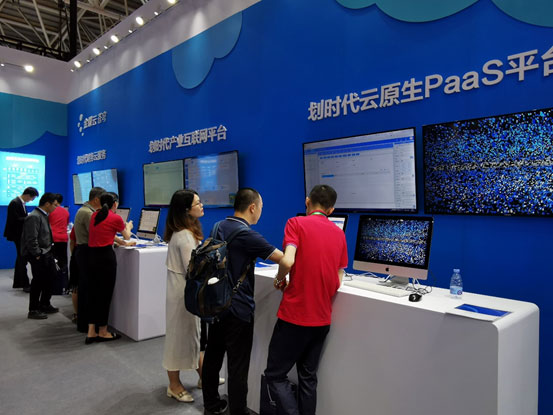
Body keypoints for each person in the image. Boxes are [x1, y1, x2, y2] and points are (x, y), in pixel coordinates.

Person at [263, 185, 348, 415]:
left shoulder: (296, 223)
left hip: (294, 316)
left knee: (275, 375)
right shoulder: (339, 233)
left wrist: (280, 279)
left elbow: (287, 260)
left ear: (307, 201)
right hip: (322, 319)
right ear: (331, 210)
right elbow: (339, 275)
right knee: (308, 378)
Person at [202, 188, 283, 415]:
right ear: (252, 207)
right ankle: (238, 411)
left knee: (213, 356)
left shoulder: (218, 226)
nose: (261, 212)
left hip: (216, 302)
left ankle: (211, 405)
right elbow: (283, 258)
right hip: (238, 309)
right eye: (261, 207)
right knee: (238, 365)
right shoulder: (248, 235)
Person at [162, 189, 206, 403]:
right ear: (187, 210)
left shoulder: (182, 232)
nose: (201, 205)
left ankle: (204, 376)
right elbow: (194, 268)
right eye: (198, 203)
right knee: (178, 339)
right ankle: (174, 385)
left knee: (192, 337)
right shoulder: (185, 236)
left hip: (182, 292)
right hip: (183, 295)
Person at [85, 192, 133, 344]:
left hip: (92, 257)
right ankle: (103, 331)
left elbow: (108, 233)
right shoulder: (116, 218)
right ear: (115, 204)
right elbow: (127, 235)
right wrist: (128, 226)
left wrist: (122, 243)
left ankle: (91, 331)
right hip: (105, 259)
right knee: (104, 296)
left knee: (93, 294)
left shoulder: (95, 216)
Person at [20, 192, 61, 319]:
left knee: (51, 277)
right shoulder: (34, 217)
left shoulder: (43, 215)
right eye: (55, 205)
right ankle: (33, 309)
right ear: (47, 204)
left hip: (46, 252)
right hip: (39, 254)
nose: (56, 207)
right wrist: (37, 253)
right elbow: (31, 238)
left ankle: (44, 304)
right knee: (38, 281)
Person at [73, 187, 104, 333]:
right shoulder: (88, 214)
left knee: (85, 288)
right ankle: (87, 324)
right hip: (87, 252)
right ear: (96, 199)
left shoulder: (83, 210)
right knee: (88, 289)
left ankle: (84, 323)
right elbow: (96, 234)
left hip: (82, 251)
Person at [3, 186, 39, 291]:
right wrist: (29, 217)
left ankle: (19, 282)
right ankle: (25, 284)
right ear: (27, 195)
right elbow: (15, 220)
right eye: (32, 198)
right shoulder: (15, 203)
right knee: (22, 258)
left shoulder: (20, 203)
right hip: (17, 235)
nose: (31, 200)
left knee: (20, 258)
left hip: (21, 234)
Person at [48, 194, 70, 294]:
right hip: (63, 239)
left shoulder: (50, 211)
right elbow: (66, 224)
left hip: (53, 238)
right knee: (63, 263)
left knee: (53, 263)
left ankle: (53, 287)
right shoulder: (66, 212)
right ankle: (63, 286)